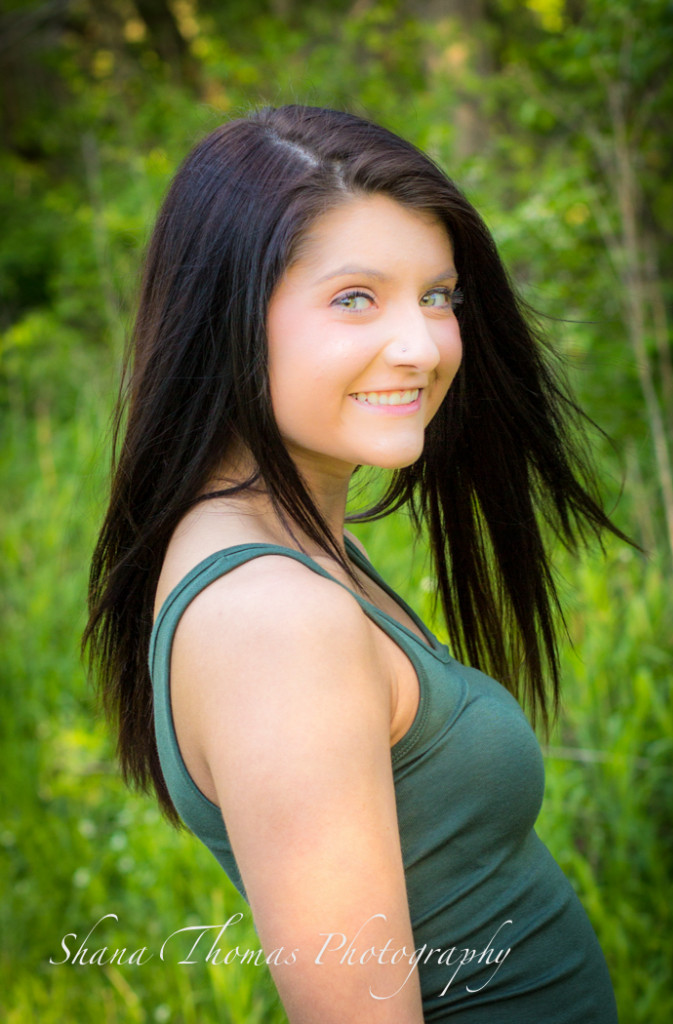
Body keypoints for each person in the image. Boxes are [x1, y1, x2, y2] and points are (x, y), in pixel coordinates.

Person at [84, 105, 627, 1022]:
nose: (421, 346)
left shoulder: (304, 551)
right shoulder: (272, 619)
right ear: (226, 319)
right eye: (354, 299)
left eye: (437, 296)